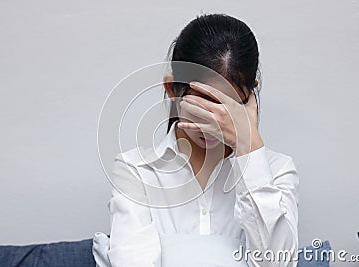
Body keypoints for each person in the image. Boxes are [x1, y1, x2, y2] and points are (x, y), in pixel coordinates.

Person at [93, 13, 299, 267]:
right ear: (172, 90)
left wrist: (249, 146)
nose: (213, 122)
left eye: (229, 106)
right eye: (201, 104)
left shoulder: (276, 171)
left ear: (248, 99)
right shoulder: (136, 171)